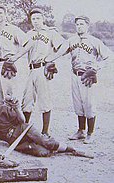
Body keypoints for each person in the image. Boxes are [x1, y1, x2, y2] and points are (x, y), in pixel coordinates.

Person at [45, 15, 114, 144]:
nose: (79, 26)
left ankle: (90, 133)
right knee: (78, 103)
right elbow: (59, 52)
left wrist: (96, 68)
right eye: (77, 24)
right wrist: (48, 60)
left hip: (88, 76)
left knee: (89, 104)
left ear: (87, 25)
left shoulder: (95, 41)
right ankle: (81, 130)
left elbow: (109, 57)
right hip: (75, 74)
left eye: (82, 24)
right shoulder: (71, 41)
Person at [5, 8, 66, 137]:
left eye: (38, 18)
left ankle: (45, 132)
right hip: (32, 69)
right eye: (33, 19)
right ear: (31, 21)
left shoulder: (50, 32)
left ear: (43, 19)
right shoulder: (30, 34)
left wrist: (51, 58)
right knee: (27, 99)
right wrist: (14, 58)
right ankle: (25, 128)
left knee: (44, 100)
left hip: (43, 69)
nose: (36, 21)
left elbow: (65, 46)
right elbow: (24, 49)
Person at [0, 91, 78, 157]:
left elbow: (22, 121)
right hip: (14, 142)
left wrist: (17, 108)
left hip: (24, 130)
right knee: (43, 152)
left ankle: (72, 149)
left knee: (46, 142)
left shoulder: (2, 109)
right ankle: (54, 148)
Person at [0, 4, 27, 106]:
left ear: (5, 15)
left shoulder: (13, 29)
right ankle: (2, 121)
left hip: (7, 64)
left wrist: (16, 56)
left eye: (0, 13)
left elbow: (28, 43)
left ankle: (14, 121)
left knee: (10, 94)